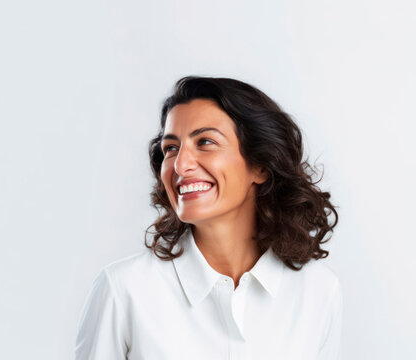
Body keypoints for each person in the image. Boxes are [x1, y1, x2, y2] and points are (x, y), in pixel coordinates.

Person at [75, 76, 342, 359]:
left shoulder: (318, 291)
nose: (180, 164)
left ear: (261, 165)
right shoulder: (123, 290)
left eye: (205, 142)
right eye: (171, 148)